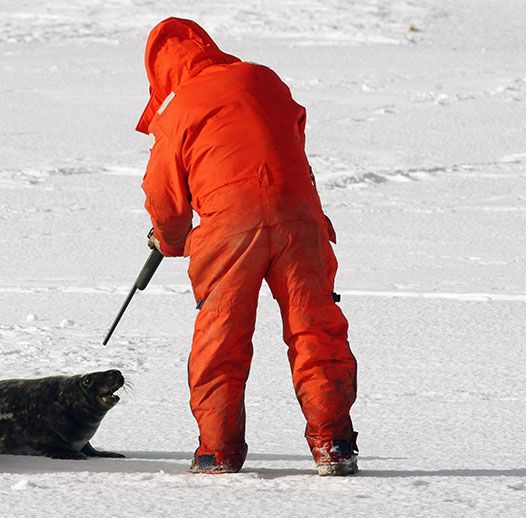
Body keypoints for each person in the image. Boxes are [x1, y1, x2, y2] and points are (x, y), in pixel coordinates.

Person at [136, 17, 359, 476]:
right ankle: (333, 443)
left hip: (230, 229)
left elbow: (165, 198)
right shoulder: (264, 78)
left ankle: (218, 453)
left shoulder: (177, 109)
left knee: (222, 338)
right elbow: (291, 135)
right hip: (301, 221)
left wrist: (170, 239)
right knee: (316, 330)